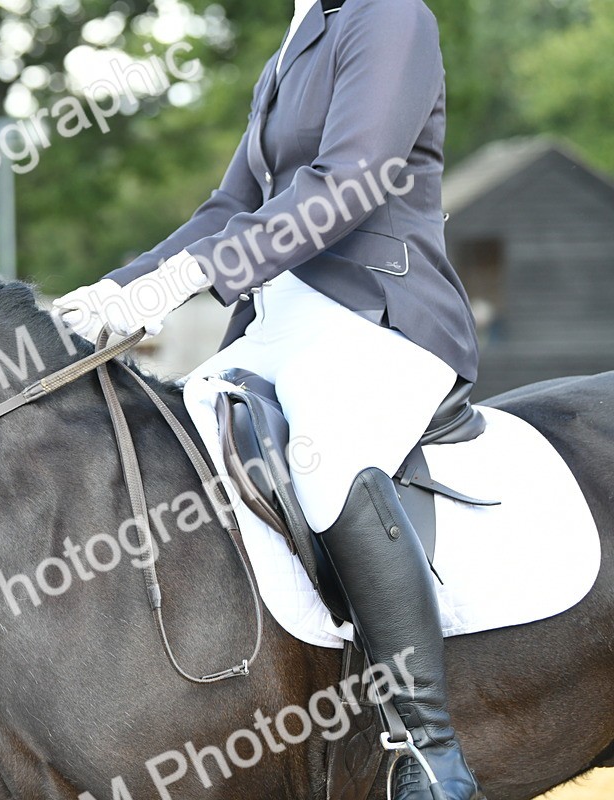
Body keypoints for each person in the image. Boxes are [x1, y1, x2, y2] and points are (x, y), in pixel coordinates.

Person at [53, 1, 485, 798]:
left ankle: (430, 753)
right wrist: (113, 291)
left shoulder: (388, 16)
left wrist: (191, 278)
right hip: (279, 318)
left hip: (382, 313)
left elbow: (350, 181)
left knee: (323, 462)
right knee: (167, 448)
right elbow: (228, 209)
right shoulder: (297, 37)